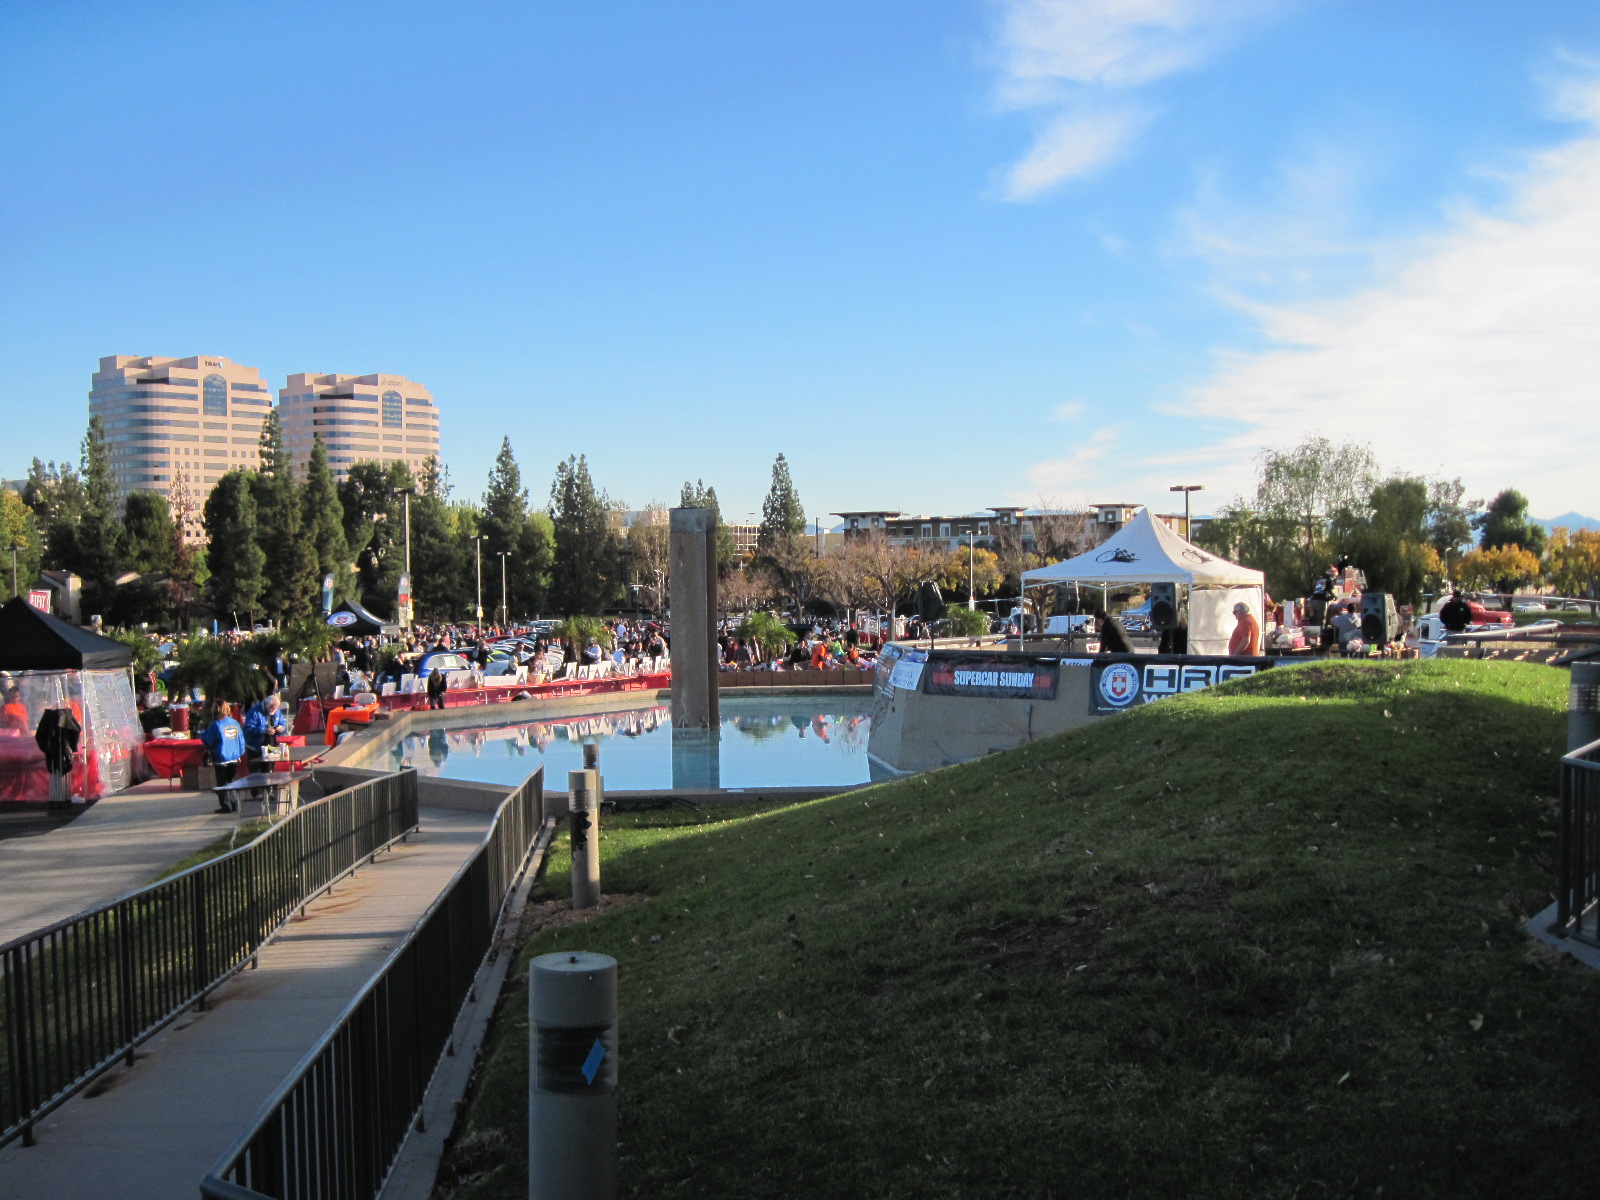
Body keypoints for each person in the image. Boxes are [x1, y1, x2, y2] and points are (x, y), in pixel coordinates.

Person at [201, 703, 247, 810]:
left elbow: (209, 740)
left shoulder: (215, 724)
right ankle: (234, 803)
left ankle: (226, 805)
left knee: (222, 782)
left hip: (221, 757)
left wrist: (202, 735)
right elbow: (241, 740)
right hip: (234, 757)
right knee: (230, 780)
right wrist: (239, 753)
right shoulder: (234, 723)